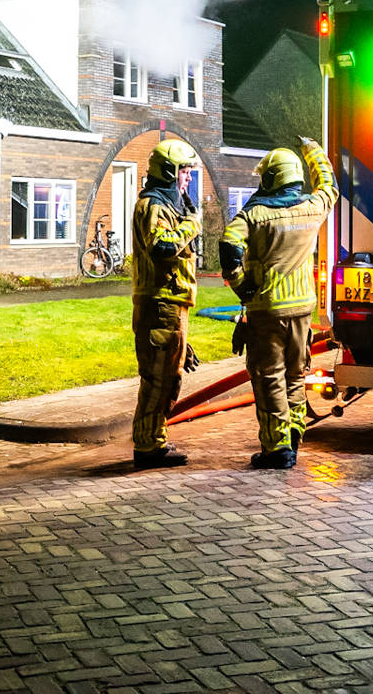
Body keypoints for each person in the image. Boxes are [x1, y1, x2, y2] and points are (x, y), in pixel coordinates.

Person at [219, 136, 337, 470]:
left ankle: (277, 448)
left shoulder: (255, 214)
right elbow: (330, 185)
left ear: (271, 178)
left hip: (267, 309)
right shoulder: (313, 207)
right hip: (303, 309)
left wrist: (242, 286)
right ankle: (295, 436)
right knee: (297, 375)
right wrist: (313, 151)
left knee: (269, 376)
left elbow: (229, 244)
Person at [129, 138, 204, 470]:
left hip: (170, 304)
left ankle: (154, 440)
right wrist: (192, 223)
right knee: (157, 379)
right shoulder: (153, 207)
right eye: (185, 172)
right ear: (171, 172)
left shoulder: (168, 205)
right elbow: (162, 248)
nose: (188, 179)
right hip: (160, 304)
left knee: (168, 377)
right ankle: (147, 446)